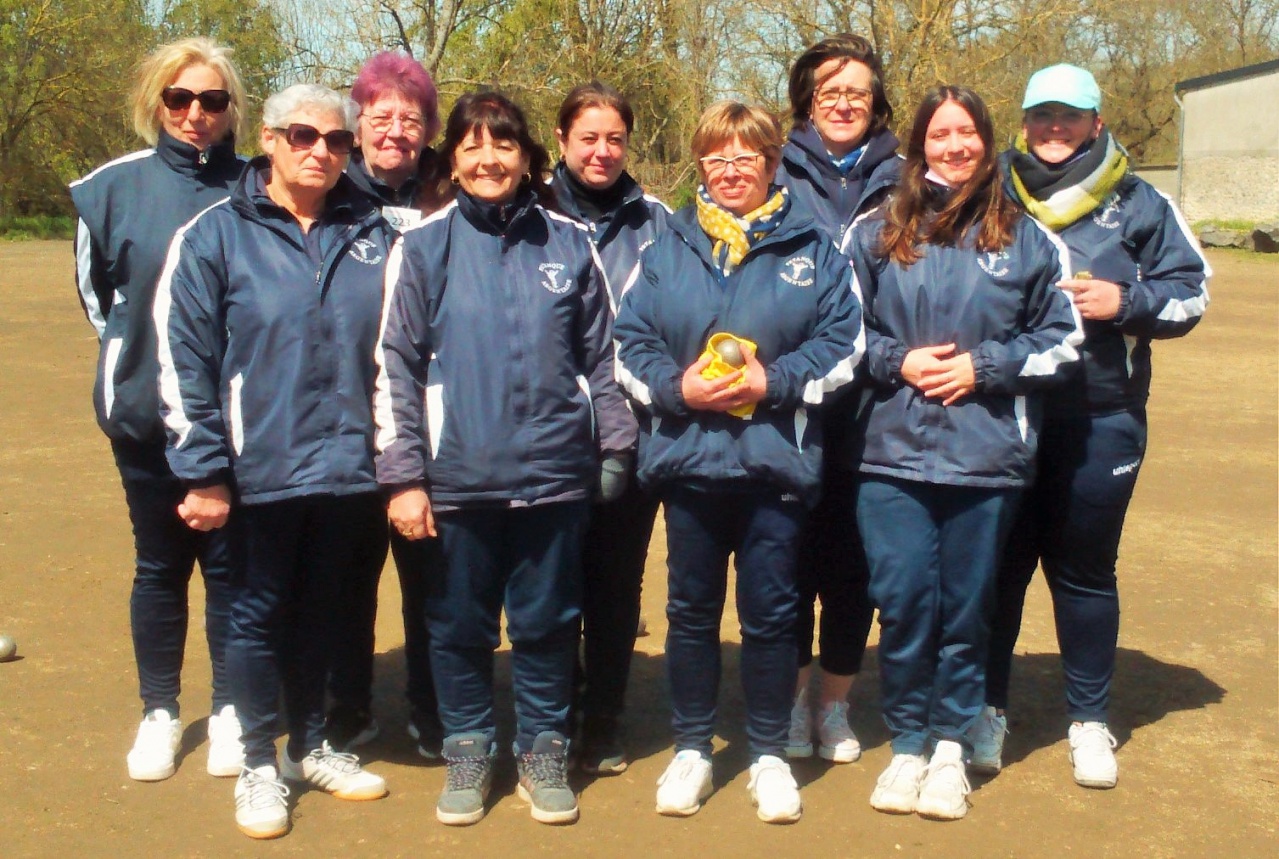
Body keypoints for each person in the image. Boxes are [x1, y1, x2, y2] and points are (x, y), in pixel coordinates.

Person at [376, 91, 634, 827]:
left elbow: (603, 357)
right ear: (452, 160)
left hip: (555, 478)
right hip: (456, 481)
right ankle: (467, 748)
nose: (488, 159)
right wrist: (403, 476)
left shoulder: (566, 242)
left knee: (549, 623)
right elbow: (393, 365)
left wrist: (613, 442)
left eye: (504, 145)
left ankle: (543, 748)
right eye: (472, 146)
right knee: (456, 627)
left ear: (528, 158)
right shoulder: (421, 247)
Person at [613, 101, 864, 824]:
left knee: (771, 615)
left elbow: (842, 345)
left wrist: (772, 384)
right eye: (715, 158)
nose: (730, 171)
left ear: (771, 162)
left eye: (744, 156)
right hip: (689, 464)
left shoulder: (814, 249)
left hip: (772, 466)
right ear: (699, 165)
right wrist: (674, 388)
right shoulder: (664, 249)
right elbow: (630, 343)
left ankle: (767, 755)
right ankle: (692, 748)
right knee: (690, 614)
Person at [154, 83, 392, 839]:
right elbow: (182, 361)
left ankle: (310, 745)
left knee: (325, 614)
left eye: (336, 140)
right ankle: (258, 760)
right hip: (257, 472)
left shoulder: (377, 232)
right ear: (267, 138)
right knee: (255, 619)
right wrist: (202, 470)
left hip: (351, 468)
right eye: (302, 136)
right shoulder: (215, 235)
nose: (320, 150)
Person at [842, 85, 1083, 820]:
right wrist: (897, 361)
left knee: (967, 607)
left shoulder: (1029, 236)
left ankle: (949, 746)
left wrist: (983, 368)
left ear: (985, 141)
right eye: (939, 134)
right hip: (890, 457)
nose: (953, 146)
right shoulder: (875, 231)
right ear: (918, 146)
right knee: (906, 601)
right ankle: (907, 742)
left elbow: (1063, 338)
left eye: (966, 133)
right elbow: (837, 331)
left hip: (985, 459)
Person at [975, 64, 1210, 789]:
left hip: (1098, 414)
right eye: (1041, 116)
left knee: (1081, 571)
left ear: (1095, 124)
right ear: (1021, 124)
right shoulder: (986, 195)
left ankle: (1087, 718)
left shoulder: (1139, 202)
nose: (1053, 129)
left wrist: (1125, 300)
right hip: (999, 414)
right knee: (996, 573)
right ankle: (985, 710)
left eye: (1068, 117)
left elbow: (1190, 293)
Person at [69, 37, 246, 784]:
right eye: (180, 98)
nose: (195, 114)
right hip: (144, 416)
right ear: (156, 103)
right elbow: (97, 297)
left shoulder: (258, 184)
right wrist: (136, 366)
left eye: (211, 100)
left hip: (240, 419)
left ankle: (237, 710)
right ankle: (160, 712)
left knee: (235, 571)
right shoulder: (108, 189)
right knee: (160, 565)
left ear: (233, 109)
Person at [774, 32, 900, 765]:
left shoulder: (907, 178)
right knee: (786, 561)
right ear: (806, 103)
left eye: (857, 90)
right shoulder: (771, 171)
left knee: (854, 567)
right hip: (788, 405)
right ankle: (789, 704)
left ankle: (833, 705)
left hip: (876, 408)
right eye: (829, 91)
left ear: (876, 100)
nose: (844, 103)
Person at [325, 49, 444, 760]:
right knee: (346, 579)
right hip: (341, 421)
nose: (395, 130)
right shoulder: (330, 194)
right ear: (357, 122)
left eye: (411, 118)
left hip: (426, 424)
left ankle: (433, 708)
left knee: (433, 583)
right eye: (381, 116)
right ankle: (346, 708)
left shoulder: (448, 198)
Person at [549, 81, 670, 776]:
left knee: (615, 583)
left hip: (634, 431)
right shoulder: (526, 210)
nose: (601, 151)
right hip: (543, 434)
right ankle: (555, 712)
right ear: (562, 140)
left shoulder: (657, 221)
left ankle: (605, 717)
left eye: (614, 138)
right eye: (587, 137)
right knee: (551, 581)